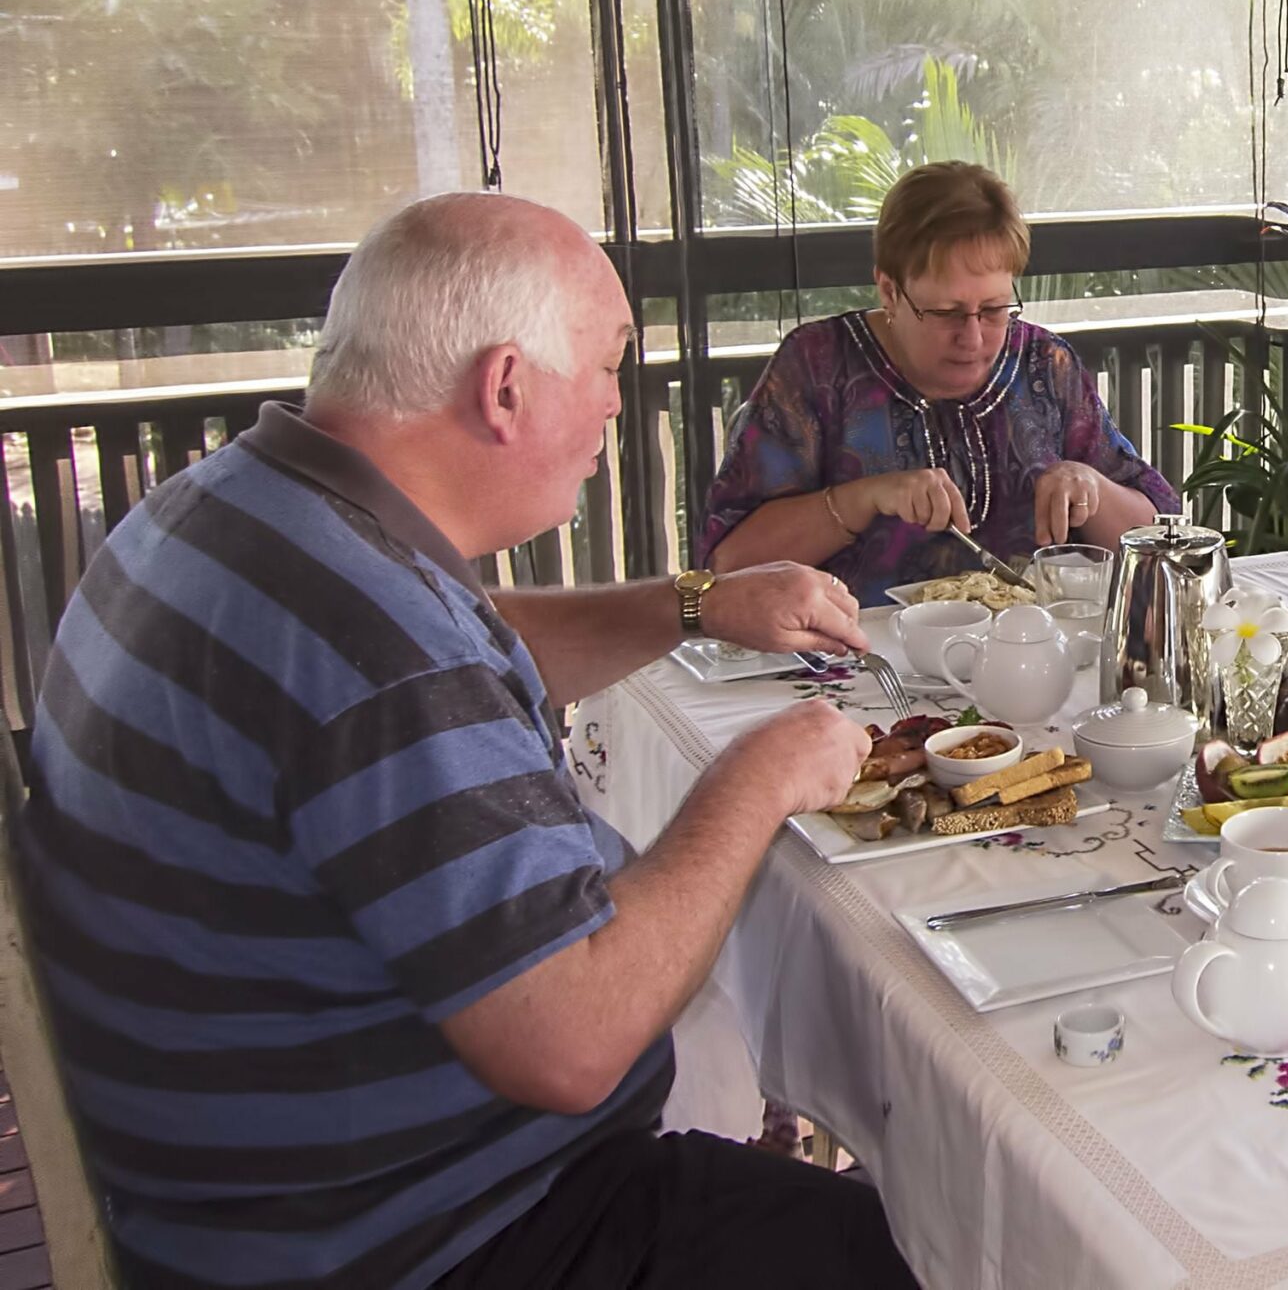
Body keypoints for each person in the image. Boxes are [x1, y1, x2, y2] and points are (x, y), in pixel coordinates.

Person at [19, 192, 921, 1290]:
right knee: (945, 1257)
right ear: (504, 389)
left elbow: (470, 646)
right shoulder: (365, 638)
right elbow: (573, 1042)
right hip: (419, 1241)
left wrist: (696, 605)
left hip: (284, 1175)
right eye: (604, 369)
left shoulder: (238, 512)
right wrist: (757, 777)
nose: (611, 409)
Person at [699, 161, 1180, 603]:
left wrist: (1090, 483)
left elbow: (1164, 538)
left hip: (1032, 657)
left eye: (993, 310)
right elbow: (728, 564)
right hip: (860, 663)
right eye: (945, 312)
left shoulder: (1042, 363)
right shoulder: (818, 365)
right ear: (890, 290)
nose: (972, 338)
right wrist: (863, 498)